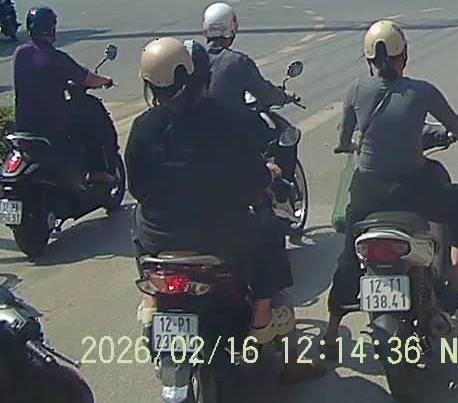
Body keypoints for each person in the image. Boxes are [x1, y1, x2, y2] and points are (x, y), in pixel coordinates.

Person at [126, 37, 323, 383]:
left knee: (137, 223)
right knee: (271, 231)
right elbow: (252, 176)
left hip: (159, 237)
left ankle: (153, 301)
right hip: (222, 235)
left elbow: (137, 189)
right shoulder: (225, 119)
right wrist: (269, 175)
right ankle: (263, 320)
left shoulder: (144, 126)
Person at [322, 20, 458, 345]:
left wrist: (347, 145)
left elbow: (345, 136)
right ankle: (455, 274)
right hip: (413, 190)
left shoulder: (356, 89)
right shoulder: (422, 91)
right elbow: (455, 126)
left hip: (368, 193)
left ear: (368, 58)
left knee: (349, 256)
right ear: (404, 55)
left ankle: (332, 330)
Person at [12, 6, 118, 184]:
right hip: (52, 124)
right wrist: (106, 81)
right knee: (91, 126)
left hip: (24, 124)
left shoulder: (20, 53)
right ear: (51, 28)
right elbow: (87, 79)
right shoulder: (56, 58)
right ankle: (96, 172)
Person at [202, 2, 296, 113]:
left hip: (192, 120)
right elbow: (264, 93)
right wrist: (284, 96)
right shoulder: (238, 61)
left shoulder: (193, 56)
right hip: (227, 120)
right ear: (233, 28)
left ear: (205, 29)